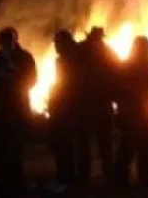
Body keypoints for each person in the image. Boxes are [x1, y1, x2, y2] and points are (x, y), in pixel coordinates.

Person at [0, 26, 37, 198]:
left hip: (18, 108)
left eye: (8, 40)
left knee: (15, 146)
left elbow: (32, 80)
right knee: (2, 147)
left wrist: (15, 78)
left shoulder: (25, 58)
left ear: (15, 40)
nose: (5, 44)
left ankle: (16, 181)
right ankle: (2, 182)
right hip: (1, 109)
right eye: (2, 41)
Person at [114, 36, 148, 188]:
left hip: (132, 115)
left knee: (128, 148)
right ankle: (145, 179)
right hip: (145, 115)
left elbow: (117, 90)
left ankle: (122, 179)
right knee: (146, 148)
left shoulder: (126, 66)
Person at [77, 26, 120, 184]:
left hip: (87, 103)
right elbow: (117, 72)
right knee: (104, 142)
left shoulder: (80, 50)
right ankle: (107, 174)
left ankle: (85, 174)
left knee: (86, 142)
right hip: (99, 103)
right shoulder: (105, 52)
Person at [49, 30, 86, 189]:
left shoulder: (74, 60)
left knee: (67, 144)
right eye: (55, 43)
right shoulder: (62, 60)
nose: (56, 47)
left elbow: (72, 84)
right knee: (61, 143)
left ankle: (68, 178)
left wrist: (60, 101)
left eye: (58, 43)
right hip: (64, 106)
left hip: (71, 107)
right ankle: (67, 176)